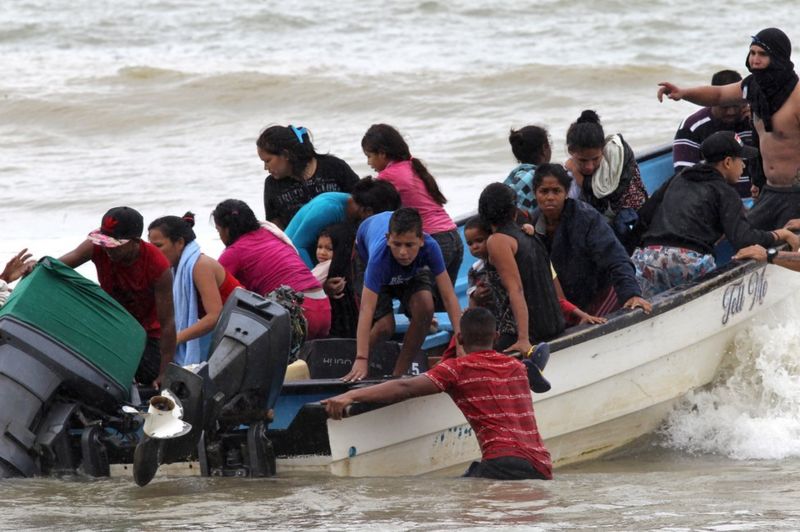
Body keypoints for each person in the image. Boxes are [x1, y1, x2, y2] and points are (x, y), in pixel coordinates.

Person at [323, 307, 552, 481]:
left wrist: (351, 396)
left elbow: (405, 387)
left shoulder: (456, 369)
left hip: (501, 460)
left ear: (460, 338)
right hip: (542, 465)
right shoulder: (518, 368)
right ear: (496, 336)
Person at [657, 28, 800, 229]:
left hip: (796, 193)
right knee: (743, 238)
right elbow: (718, 95)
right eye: (752, 53)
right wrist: (683, 92)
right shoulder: (753, 88)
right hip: (769, 191)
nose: (755, 60)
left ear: (778, 57)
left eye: (763, 54)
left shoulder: (797, 97)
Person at [632, 131, 799, 298]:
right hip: (688, 262)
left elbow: (644, 216)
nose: (743, 166)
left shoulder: (678, 178)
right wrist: (778, 234)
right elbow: (744, 239)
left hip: (649, 257)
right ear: (727, 162)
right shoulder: (725, 192)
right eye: (741, 160)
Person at [59, 207, 176, 387]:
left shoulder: (158, 266)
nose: (107, 249)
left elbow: (167, 323)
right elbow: (59, 266)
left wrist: (164, 372)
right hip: (110, 323)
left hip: (145, 334)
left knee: (147, 380)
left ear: (135, 241)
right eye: (104, 242)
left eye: (114, 245)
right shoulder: (97, 247)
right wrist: (35, 266)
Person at [343, 208, 462, 381]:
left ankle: (397, 375)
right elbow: (366, 310)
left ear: (421, 240)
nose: (403, 253)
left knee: (426, 309)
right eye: (397, 244)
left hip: (411, 270)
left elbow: (449, 297)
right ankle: (357, 366)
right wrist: (362, 358)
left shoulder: (431, 247)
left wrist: (460, 340)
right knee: (385, 326)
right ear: (388, 239)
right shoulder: (379, 257)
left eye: (409, 245)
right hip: (368, 259)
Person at [531, 164, 651, 319]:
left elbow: (616, 256)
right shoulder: (532, 224)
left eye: (556, 191)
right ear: (535, 193)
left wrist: (631, 294)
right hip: (567, 301)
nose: (550, 197)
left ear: (567, 193)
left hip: (601, 291)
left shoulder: (586, 218)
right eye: (544, 191)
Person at [212, 199, 331, 340]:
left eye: (218, 231)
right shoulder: (270, 234)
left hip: (298, 314)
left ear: (226, 229)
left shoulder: (233, 253)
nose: (220, 237)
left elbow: (212, 288)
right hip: (324, 307)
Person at [361, 124, 463, 288]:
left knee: (419, 303)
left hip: (433, 240)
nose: (368, 162)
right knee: (443, 300)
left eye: (369, 156)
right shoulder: (412, 166)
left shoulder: (387, 176)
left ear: (382, 153)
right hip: (454, 237)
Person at [478, 183, 564, 354]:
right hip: (554, 323)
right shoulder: (528, 233)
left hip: (524, 333)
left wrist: (523, 339)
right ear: (514, 210)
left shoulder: (497, 241)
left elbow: (515, 290)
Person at [147, 212, 242, 366]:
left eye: (159, 246)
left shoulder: (200, 265)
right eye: (151, 247)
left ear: (179, 243)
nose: (154, 253)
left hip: (242, 330)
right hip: (227, 332)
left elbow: (215, 316)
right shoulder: (173, 269)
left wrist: (175, 339)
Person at [564, 110, 648, 246]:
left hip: (631, 218)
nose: (590, 167)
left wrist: (575, 169)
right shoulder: (568, 178)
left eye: (595, 159)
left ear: (603, 149)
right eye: (583, 161)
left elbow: (599, 191)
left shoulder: (616, 160)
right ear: (571, 152)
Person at [672, 70, 760, 198]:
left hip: (757, 200)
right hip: (712, 203)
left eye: (736, 106)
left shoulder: (756, 119)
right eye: (724, 106)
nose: (730, 112)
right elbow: (685, 177)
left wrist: (757, 122)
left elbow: (774, 161)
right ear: (711, 100)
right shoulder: (692, 127)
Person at [259, 125, 359, 229]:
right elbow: (276, 229)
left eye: (268, 161)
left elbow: (362, 199)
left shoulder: (333, 167)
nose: (266, 167)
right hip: (297, 243)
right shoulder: (272, 185)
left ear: (285, 154)